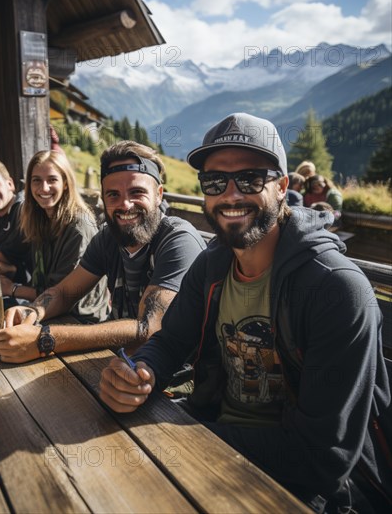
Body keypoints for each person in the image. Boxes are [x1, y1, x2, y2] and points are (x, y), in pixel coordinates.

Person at [99, 113, 391, 511]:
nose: (231, 195)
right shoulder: (213, 264)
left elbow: (322, 458)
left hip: (304, 491)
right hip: (209, 439)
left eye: (251, 179)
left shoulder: (336, 290)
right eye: (215, 182)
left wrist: (189, 433)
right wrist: (141, 373)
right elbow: (170, 341)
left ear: (283, 186)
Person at [0, 141, 206, 363]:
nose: (125, 204)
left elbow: (148, 329)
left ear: (159, 194)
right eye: (113, 195)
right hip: (122, 361)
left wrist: (44, 339)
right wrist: (33, 312)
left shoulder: (177, 239)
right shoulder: (108, 238)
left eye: (137, 192)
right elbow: (66, 292)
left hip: (176, 377)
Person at [0, 150, 109, 322]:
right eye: (37, 180)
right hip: (46, 308)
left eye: (52, 180)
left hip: (79, 320)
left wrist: (12, 289)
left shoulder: (78, 226)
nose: (44, 188)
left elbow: (64, 294)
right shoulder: (40, 218)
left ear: (65, 183)